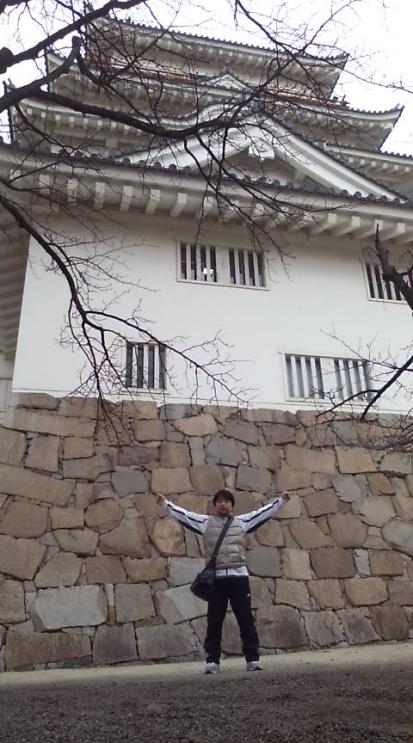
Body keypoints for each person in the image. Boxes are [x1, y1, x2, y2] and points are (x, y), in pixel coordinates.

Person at [154, 487, 290, 674]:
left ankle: (252, 659)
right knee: (214, 620)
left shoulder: (242, 522)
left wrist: (281, 501)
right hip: (216, 579)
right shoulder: (205, 523)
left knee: (245, 619)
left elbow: (262, 513)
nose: (223, 504)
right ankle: (212, 661)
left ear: (232, 505)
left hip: (238, 578)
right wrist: (164, 503)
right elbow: (184, 515)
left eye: (226, 501)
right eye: (219, 501)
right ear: (215, 505)